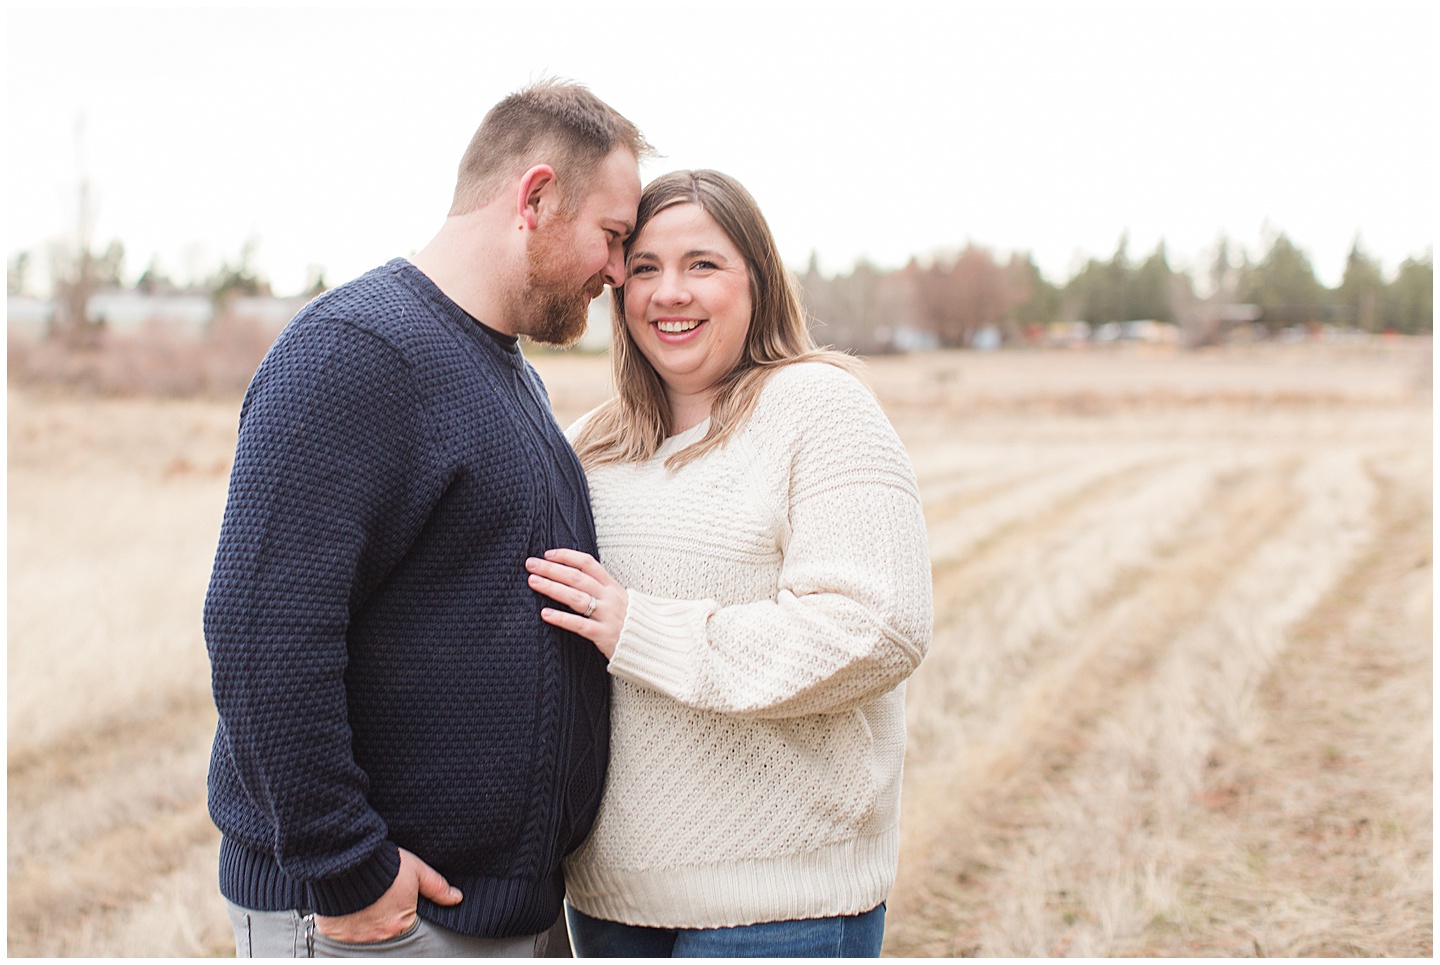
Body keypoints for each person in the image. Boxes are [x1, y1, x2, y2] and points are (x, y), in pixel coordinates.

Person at [203, 78, 650, 958]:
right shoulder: (355, 351)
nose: (619, 270)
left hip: (478, 914)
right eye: (614, 236)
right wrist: (349, 867)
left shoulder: (502, 369)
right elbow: (263, 634)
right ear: (535, 197)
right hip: (382, 920)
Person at [523, 170, 933, 958]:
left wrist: (642, 629)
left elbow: (877, 627)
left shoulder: (819, 408)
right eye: (643, 267)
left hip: (781, 907)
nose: (669, 292)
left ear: (758, 281)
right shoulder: (588, 444)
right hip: (608, 902)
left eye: (702, 264)